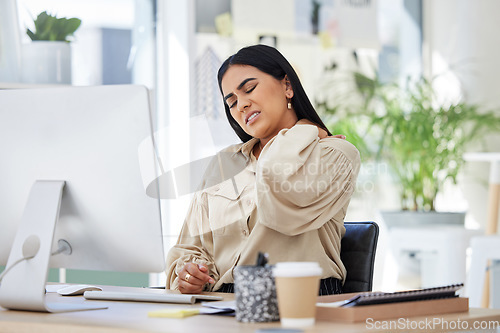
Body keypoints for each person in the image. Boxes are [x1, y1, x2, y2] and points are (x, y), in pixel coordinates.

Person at [165, 44, 360, 295]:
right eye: (232, 102)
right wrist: (190, 273)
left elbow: (282, 207)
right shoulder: (224, 165)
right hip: (225, 303)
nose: (241, 105)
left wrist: (304, 130)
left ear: (287, 86)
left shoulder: (335, 155)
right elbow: (190, 247)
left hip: (303, 299)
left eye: (249, 89)